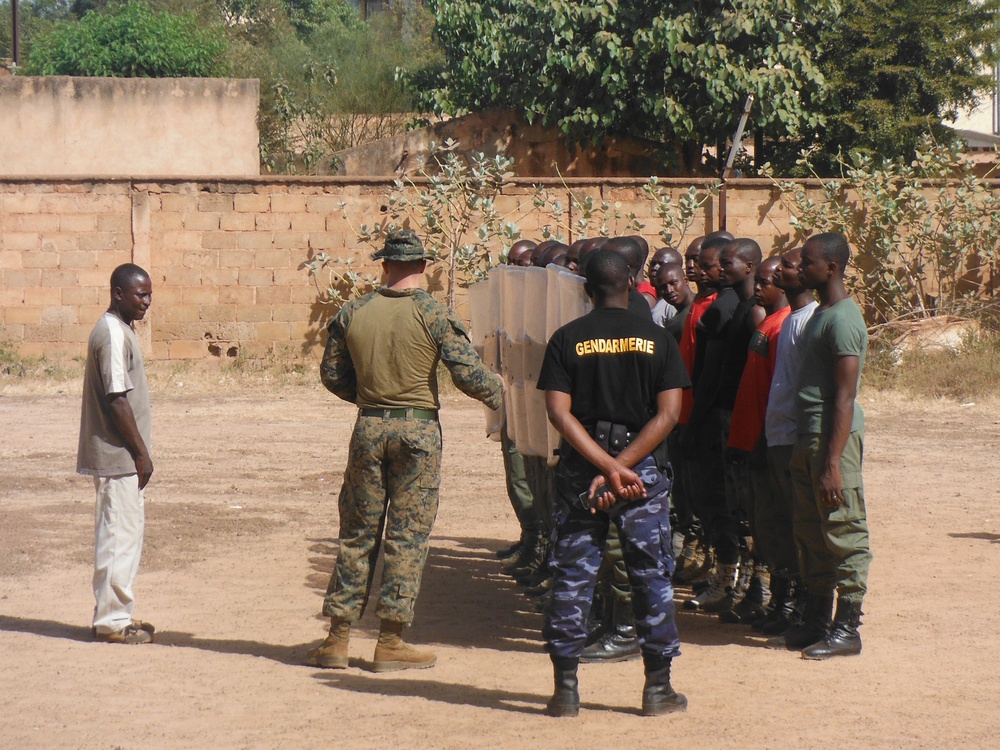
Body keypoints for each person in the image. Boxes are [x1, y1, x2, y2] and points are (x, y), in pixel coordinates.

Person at [309, 229, 504, 672]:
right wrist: (504, 393)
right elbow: (469, 375)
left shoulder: (352, 311)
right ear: (422, 266)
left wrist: (370, 397)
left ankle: (337, 639)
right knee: (407, 534)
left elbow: (332, 374)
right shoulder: (434, 313)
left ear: (384, 265)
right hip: (418, 432)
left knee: (358, 531)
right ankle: (390, 641)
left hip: (369, 427)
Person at [537, 250, 690, 718]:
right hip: (639, 473)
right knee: (650, 577)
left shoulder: (566, 339)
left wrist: (603, 465)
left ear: (585, 287)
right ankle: (657, 689)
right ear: (630, 281)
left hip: (584, 470)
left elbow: (559, 413)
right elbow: (670, 414)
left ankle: (565, 690)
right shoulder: (658, 339)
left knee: (572, 576)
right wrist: (622, 465)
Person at [782, 232, 872, 659]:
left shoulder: (844, 320)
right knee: (810, 530)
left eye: (808, 262)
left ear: (832, 268)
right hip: (809, 435)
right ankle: (816, 618)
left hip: (831, 440)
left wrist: (833, 462)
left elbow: (845, 396)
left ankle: (847, 628)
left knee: (843, 529)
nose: (801, 269)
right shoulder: (822, 313)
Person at [77, 263, 156, 645]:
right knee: (117, 536)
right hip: (118, 455)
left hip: (121, 457)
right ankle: (112, 621)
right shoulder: (112, 333)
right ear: (118, 293)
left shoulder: (120, 330)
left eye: (149, 294)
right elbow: (116, 399)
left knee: (122, 534)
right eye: (140, 294)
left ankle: (114, 613)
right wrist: (141, 453)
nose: (147, 302)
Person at [684, 238, 763, 612]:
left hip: (724, 416)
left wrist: (695, 419)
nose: (710, 269)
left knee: (732, 503)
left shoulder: (741, 311)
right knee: (717, 500)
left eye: (721, 263)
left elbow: (715, 375)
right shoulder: (728, 306)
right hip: (718, 414)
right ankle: (729, 575)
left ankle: (740, 581)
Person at [753, 247, 818, 636]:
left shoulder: (809, 321)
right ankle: (784, 600)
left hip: (793, 437)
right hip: (775, 433)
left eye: (788, 268)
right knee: (775, 524)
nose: (779, 276)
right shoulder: (789, 320)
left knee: (797, 525)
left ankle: (803, 608)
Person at [721, 256, 789, 623]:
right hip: (747, 438)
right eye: (759, 281)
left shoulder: (779, 325)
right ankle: (755, 593)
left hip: (765, 440)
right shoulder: (767, 322)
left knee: (768, 523)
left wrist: (761, 439)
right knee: (752, 519)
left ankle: (772, 598)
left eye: (765, 282)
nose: (758, 288)